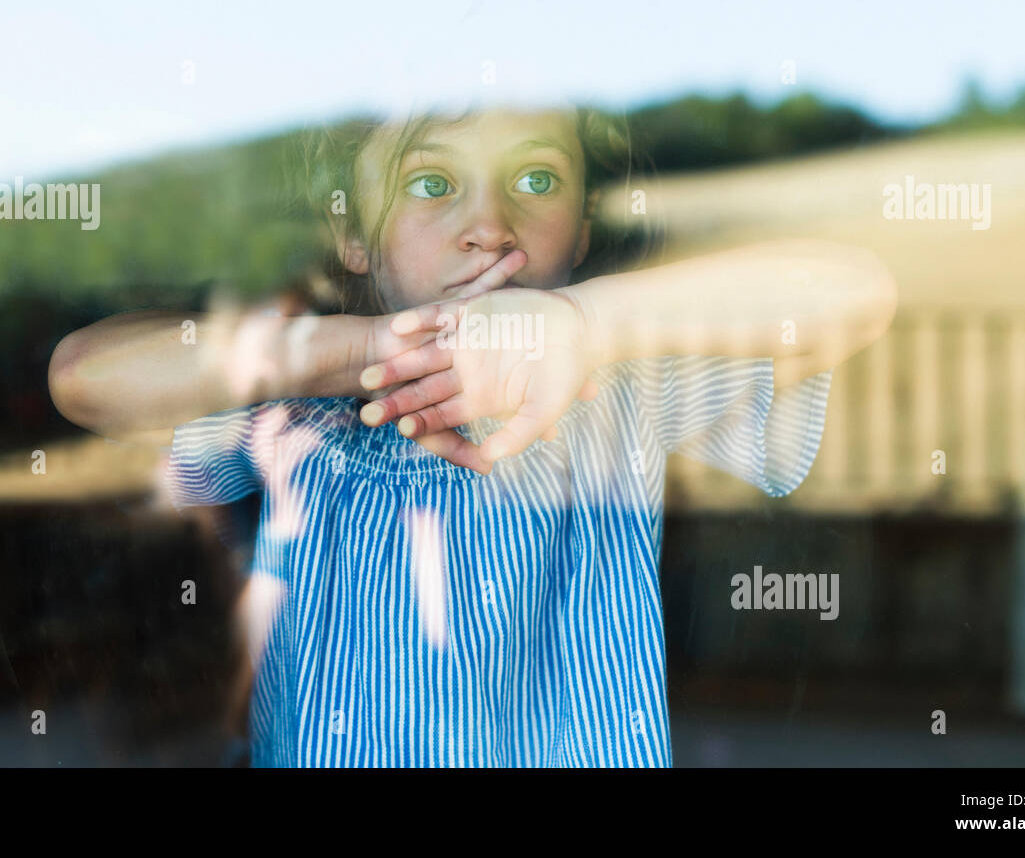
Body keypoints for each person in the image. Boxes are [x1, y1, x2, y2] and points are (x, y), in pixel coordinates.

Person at [48, 102, 897, 766]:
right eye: (430, 184)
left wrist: (584, 322)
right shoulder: (295, 405)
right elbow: (84, 375)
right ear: (352, 234)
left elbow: (857, 293)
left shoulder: (621, 388)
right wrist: (368, 349)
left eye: (535, 180)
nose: (489, 225)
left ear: (585, 227)